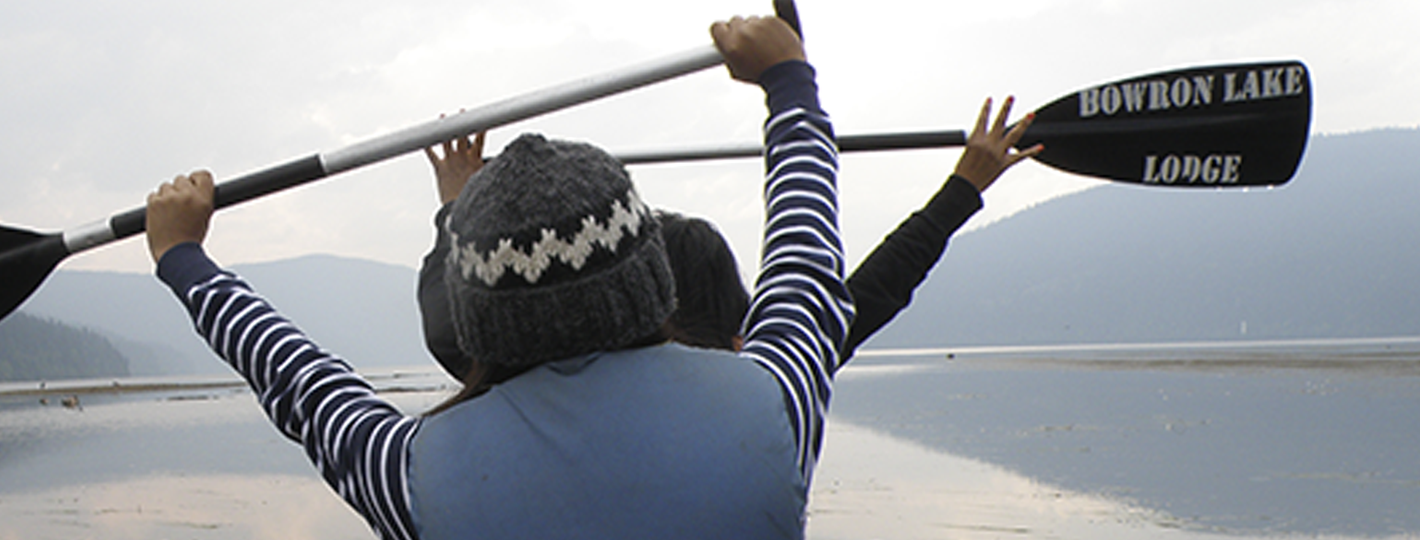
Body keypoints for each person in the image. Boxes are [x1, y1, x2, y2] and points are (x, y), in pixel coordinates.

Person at [146, 15, 1031, 540]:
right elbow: (805, 250)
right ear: (649, 281)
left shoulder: (412, 476)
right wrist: (789, 82)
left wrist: (183, 257)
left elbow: (297, 379)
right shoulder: (773, 400)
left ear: (478, 318)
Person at [418, 97, 1041, 377]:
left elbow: (451, 329)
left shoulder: (519, 387)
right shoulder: (776, 380)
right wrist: (964, 187)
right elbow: (874, 284)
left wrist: (459, 208)